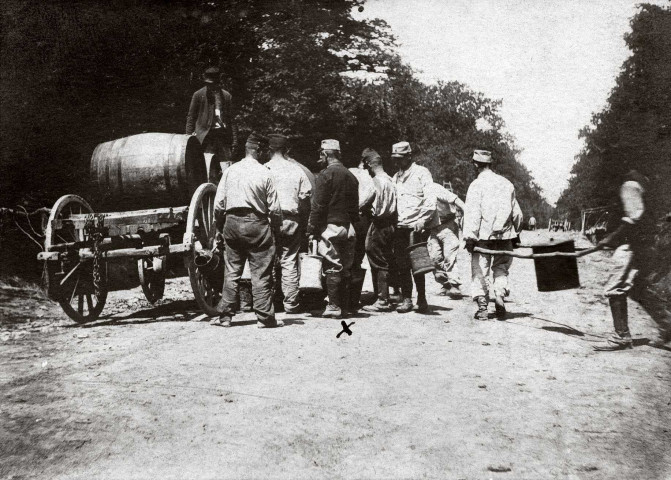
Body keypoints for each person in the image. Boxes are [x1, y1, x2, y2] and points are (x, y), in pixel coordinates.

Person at [212, 133, 283, 328]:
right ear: (258, 151)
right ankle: (265, 318)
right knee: (260, 273)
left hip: (231, 223)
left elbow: (218, 205)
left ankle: (225, 317)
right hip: (256, 224)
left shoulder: (230, 172)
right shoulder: (265, 172)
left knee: (232, 271)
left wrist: (220, 227)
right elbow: (275, 209)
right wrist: (276, 229)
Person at [463, 149, 523, 321]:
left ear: (475, 164)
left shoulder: (476, 185)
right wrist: (515, 232)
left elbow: (473, 214)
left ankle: (483, 307)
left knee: (479, 269)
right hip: (504, 237)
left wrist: (470, 237)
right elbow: (517, 214)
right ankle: (499, 296)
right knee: (501, 268)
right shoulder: (507, 184)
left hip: (483, 238)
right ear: (490, 163)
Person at [595, 170, 647, 350]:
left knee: (614, 288)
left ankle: (621, 335)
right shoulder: (635, 184)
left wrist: (610, 239)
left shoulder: (629, 185)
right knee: (634, 289)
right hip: (635, 246)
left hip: (628, 246)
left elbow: (632, 221)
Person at [307, 139, 359, 318]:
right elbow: (355, 208)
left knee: (332, 265)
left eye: (321, 153)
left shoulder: (325, 175)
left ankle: (334, 306)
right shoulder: (351, 176)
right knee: (345, 267)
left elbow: (318, 206)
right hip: (348, 227)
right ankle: (345, 306)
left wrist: (312, 229)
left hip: (330, 226)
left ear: (325, 154)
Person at [265, 134, 312, 313]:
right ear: (287, 150)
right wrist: (304, 219)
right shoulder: (296, 170)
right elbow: (305, 197)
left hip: (269, 220)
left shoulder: (264, 169)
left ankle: (267, 303)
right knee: (289, 260)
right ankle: (291, 303)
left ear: (269, 150)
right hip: (291, 219)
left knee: (266, 261)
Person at [391, 141, 438, 314]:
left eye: (400, 158)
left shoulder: (421, 173)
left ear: (409, 156)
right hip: (400, 226)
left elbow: (430, 201)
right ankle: (406, 299)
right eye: (395, 159)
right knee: (402, 265)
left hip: (416, 227)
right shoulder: (395, 177)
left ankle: (422, 298)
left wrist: (422, 220)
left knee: (418, 264)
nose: (397, 162)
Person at [186, 66, 238, 183]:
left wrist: (235, 141)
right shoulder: (198, 95)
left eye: (213, 84)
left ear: (219, 83)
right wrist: (188, 138)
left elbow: (232, 121)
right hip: (205, 138)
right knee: (207, 170)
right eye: (208, 84)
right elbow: (191, 117)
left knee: (228, 170)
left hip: (222, 137)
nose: (211, 86)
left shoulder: (226, 96)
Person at [361, 148, 397, 312]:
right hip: (390, 223)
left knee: (376, 258)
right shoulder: (390, 179)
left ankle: (383, 299)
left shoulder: (376, 181)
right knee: (384, 257)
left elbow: (365, 201)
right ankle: (382, 295)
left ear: (368, 164)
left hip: (379, 224)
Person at [426, 182, 465, 298]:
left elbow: (455, 199)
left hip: (447, 226)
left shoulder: (434, 188)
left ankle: (454, 285)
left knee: (449, 256)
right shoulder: (414, 192)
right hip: (432, 228)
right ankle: (445, 284)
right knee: (434, 258)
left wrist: (467, 214)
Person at [348, 153, 376, 312]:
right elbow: (371, 193)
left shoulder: (349, 172)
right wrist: (360, 207)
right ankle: (354, 297)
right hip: (363, 218)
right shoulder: (369, 177)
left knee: (347, 257)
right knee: (358, 257)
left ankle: (346, 296)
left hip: (349, 216)